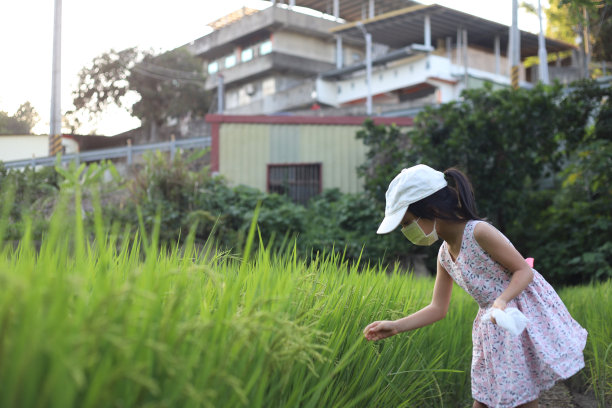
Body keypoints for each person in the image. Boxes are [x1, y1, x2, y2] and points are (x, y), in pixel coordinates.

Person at [363, 164, 587, 408]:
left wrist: (502, 300)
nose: (406, 231)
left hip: (516, 316)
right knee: (484, 397)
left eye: (407, 222)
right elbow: (438, 308)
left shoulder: (479, 232)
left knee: (520, 398)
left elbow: (524, 271)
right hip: (490, 326)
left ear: (432, 209)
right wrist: (395, 326)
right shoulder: (444, 255)